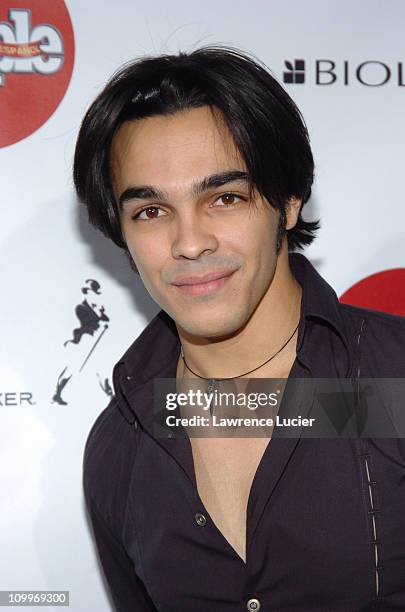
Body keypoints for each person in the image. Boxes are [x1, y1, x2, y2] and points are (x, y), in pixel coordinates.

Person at [74, 46, 405, 611]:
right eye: (151, 211)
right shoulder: (120, 447)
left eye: (225, 198)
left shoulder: (392, 381)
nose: (189, 242)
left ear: (290, 200)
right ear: (120, 231)